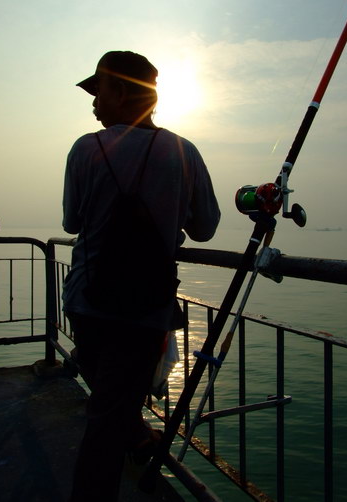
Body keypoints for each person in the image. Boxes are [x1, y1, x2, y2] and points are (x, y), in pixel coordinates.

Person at [62, 50, 220, 502]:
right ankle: (134, 438)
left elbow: (72, 222)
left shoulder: (85, 148)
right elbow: (205, 227)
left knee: (106, 410)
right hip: (145, 310)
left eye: (99, 91)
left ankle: (112, 463)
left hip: (87, 302)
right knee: (114, 407)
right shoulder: (183, 151)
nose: (93, 102)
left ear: (123, 91)